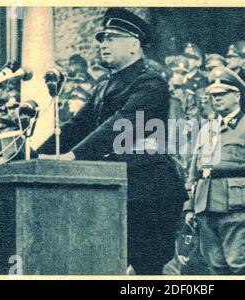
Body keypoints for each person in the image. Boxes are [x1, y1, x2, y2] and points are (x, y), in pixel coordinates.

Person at [37, 8, 188, 275]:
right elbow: (74, 127)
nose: (103, 44)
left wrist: (73, 156)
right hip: (114, 189)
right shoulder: (103, 86)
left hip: (148, 191)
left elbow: (121, 123)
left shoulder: (151, 83)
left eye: (112, 38)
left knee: (147, 271)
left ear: (133, 45)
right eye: (102, 39)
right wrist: (31, 156)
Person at [183, 66, 245, 275]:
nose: (216, 99)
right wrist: (189, 206)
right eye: (213, 95)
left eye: (222, 94)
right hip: (206, 207)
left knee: (240, 264)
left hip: (239, 207)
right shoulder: (207, 128)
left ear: (236, 96)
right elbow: (194, 171)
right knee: (215, 266)